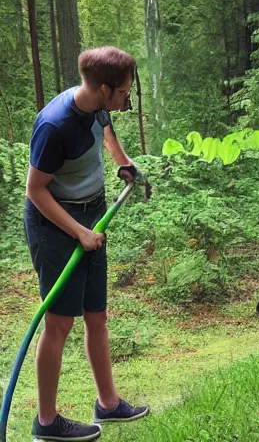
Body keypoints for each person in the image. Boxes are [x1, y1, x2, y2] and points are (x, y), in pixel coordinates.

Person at [24, 47, 149, 441]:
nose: (128, 98)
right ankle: (46, 423)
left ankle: (107, 404)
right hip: (55, 224)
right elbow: (35, 191)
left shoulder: (97, 105)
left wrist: (122, 162)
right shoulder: (55, 125)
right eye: (125, 91)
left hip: (93, 214)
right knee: (59, 322)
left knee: (97, 315)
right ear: (105, 88)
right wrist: (78, 232)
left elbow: (106, 130)